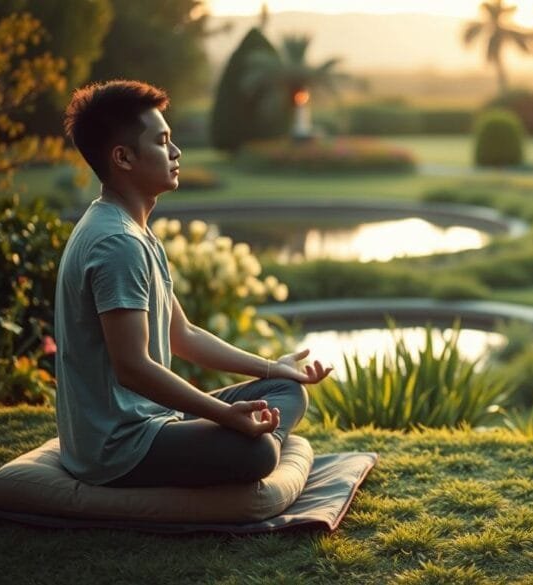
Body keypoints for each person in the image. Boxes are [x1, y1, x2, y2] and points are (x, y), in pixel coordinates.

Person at [55, 79, 332, 488]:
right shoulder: (118, 244)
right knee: (255, 453)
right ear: (123, 157)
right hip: (119, 446)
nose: (176, 151)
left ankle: (249, 433)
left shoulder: (133, 230)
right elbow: (132, 368)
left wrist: (274, 367)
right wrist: (223, 416)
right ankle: (253, 442)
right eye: (162, 141)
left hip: (150, 420)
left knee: (286, 389)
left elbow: (181, 333)